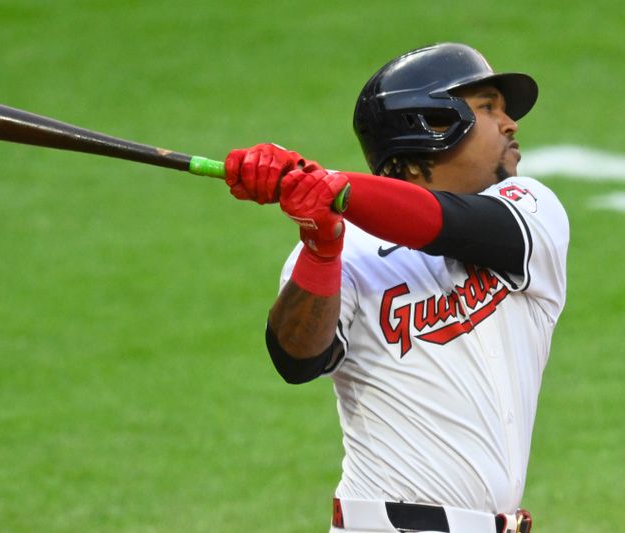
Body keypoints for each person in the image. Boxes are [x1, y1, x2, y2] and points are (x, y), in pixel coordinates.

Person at [224, 43, 568, 533]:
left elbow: (445, 222)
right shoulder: (345, 248)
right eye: (488, 107)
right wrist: (322, 250)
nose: (511, 123)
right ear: (432, 124)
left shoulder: (531, 210)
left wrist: (331, 185)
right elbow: (296, 360)